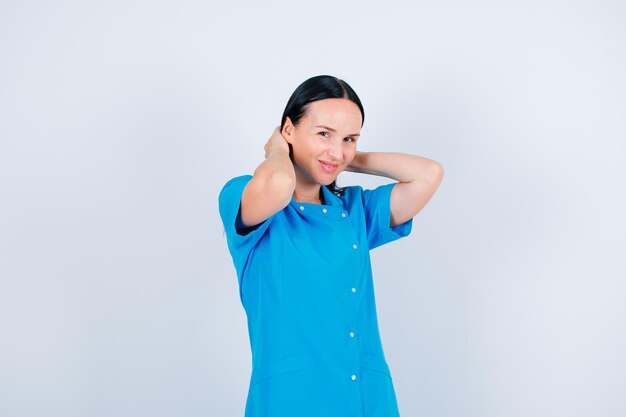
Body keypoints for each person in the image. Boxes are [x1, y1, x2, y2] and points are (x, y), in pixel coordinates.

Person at [218, 75, 444, 417]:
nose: (337, 148)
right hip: (290, 397)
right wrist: (279, 150)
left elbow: (428, 174)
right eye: (323, 133)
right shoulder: (247, 196)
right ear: (289, 129)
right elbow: (278, 183)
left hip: (366, 396)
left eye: (349, 138)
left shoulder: (354, 210)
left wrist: (341, 157)